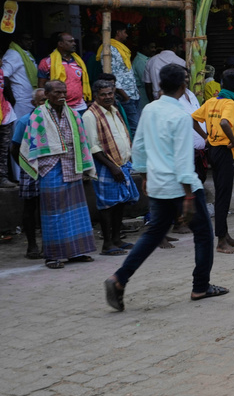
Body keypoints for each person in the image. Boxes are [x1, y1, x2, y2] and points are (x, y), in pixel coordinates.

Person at [104, 64, 227, 311]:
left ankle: (120, 278)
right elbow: (183, 159)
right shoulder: (181, 115)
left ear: (160, 84)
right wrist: (189, 194)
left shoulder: (149, 109)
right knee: (203, 235)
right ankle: (200, 286)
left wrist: (146, 175)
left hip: (158, 182)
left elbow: (137, 147)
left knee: (153, 234)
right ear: (184, 86)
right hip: (181, 186)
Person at [18, 80, 96, 269]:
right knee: (53, 212)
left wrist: (84, 165)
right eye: (57, 92)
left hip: (72, 164)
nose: (62, 95)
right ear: (47, 94)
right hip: (51, 167)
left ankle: (76, 252)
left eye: (64, 92)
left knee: (75, 211)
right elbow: (31, 143)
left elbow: (82, 140)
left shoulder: (73, 114)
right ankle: (53, 255)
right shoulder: (38, 115)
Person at [192, 68, 234, 255]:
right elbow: (224, 123)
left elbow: (193, 119)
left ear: (222, 84)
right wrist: (233, 141)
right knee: (223, 195)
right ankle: (222, 241)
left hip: (213, 149)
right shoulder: (230, 103)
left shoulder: (211, 101)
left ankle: (226, 235)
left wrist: (206, 137)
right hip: (223, 150)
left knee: (223, 193)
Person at [83, 79, 139, 256]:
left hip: (122, 164)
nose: (108, 97)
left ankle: (116, 239)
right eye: (103, 94)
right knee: (107, 205)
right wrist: (113, 167)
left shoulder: (114, 110)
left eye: (110, 93)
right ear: (96, 96)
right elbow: (93, 147)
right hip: (105, 166)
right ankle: (107, 243)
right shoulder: (90, 116)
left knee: (120, 203)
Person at [11, 88, 46, 258]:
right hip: (31, 167)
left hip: (49, 168)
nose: (44, 104)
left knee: (49, 207)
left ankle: (49, 244)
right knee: (30, 207)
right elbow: (14, 147)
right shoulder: (25, 121)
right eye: (41, 101)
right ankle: (31, 245)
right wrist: (25, 167)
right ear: (34, 103)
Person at [38, 32, 90, 112]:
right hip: (58, 107)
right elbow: (41, 85)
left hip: (80, 106)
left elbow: (82, 82)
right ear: (60, 44)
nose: (74, 44)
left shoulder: (79, 62)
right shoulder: (47, 62)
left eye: (74, 41)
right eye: (70, 42)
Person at [106, 21, 141, 133]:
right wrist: (125, 96)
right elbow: (112, 75)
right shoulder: (109, 49)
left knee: (135, 126)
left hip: (132, 95)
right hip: (125, 96)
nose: (126, 35)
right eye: (125, 32)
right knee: (133, 128)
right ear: (118, 32)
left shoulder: (121, 48)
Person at [3, 32, 38, 119]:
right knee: (21, 127)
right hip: (20, 100)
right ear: (18, 40)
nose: (30, 42)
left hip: (29, 99)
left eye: (31, 39)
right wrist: (11, 98)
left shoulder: (26, 53)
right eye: (26, 39)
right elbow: (3, 76)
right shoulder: (13, 54)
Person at [143, 36, 186, 101]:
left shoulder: (151, 61)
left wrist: (151, 101)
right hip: (177, 99)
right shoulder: (181, 62)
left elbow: (148, 85)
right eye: (180, 47)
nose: (181, 50)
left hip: (156, 98)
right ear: (174, 47)